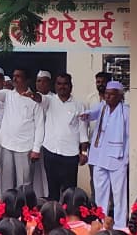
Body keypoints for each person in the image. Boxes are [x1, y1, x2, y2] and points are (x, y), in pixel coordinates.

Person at [0, 67, 44, 193]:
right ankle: (6, 203)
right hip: (6, 144)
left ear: (27, 80)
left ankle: (23, 203)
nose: (14, 78)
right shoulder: (8, 94)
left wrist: (36, 149)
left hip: (25, 147)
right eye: (14, 76)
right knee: (6, 180)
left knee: (24, 182)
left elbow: (40, 125)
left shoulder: (35, 100)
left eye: (18, 76)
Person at [82, 80, 129, 230]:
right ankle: (100, 222)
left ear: (120, 96)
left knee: (119, 194)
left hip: (117, 158)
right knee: (100, 192)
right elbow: (92, 114)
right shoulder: (102, 107)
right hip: (99, 156)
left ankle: (120, 226)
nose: (107, 97)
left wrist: (126, 158)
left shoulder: (126, 111)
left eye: (111, 95)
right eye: (106, 94)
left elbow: (129, 137)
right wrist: (85, 115)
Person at [36, 72, 89, 200]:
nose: (62, 87)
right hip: (50, 151)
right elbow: (39, 98)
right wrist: (31, 94)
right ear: (55, 86)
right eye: (59, 84)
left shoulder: (79, 105)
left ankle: (68, 212)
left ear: (71, 86)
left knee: (69, 192)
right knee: (52, 189)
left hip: (70, 154)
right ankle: (53, 211)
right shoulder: (49, 100)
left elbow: (83, 130)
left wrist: (84, 152)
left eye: (65, 84)